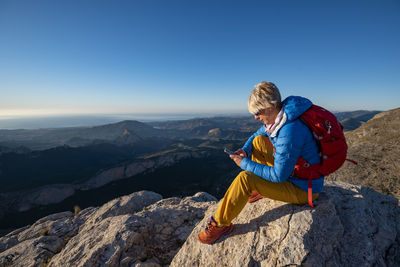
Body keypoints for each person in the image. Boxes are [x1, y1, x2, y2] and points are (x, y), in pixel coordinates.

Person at [198, 81, 324, 244]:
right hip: (296, 174)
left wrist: (244, 163)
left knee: (245, 178)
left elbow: (279, 176)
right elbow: (256, 134)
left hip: (304, 189)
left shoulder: (289, 130)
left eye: (258, 112)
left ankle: (219, 225)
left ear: (271, 106)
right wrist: (245, 150)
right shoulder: (282, 116)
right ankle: (261, 188)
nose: (255, 117)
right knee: (259, 141)